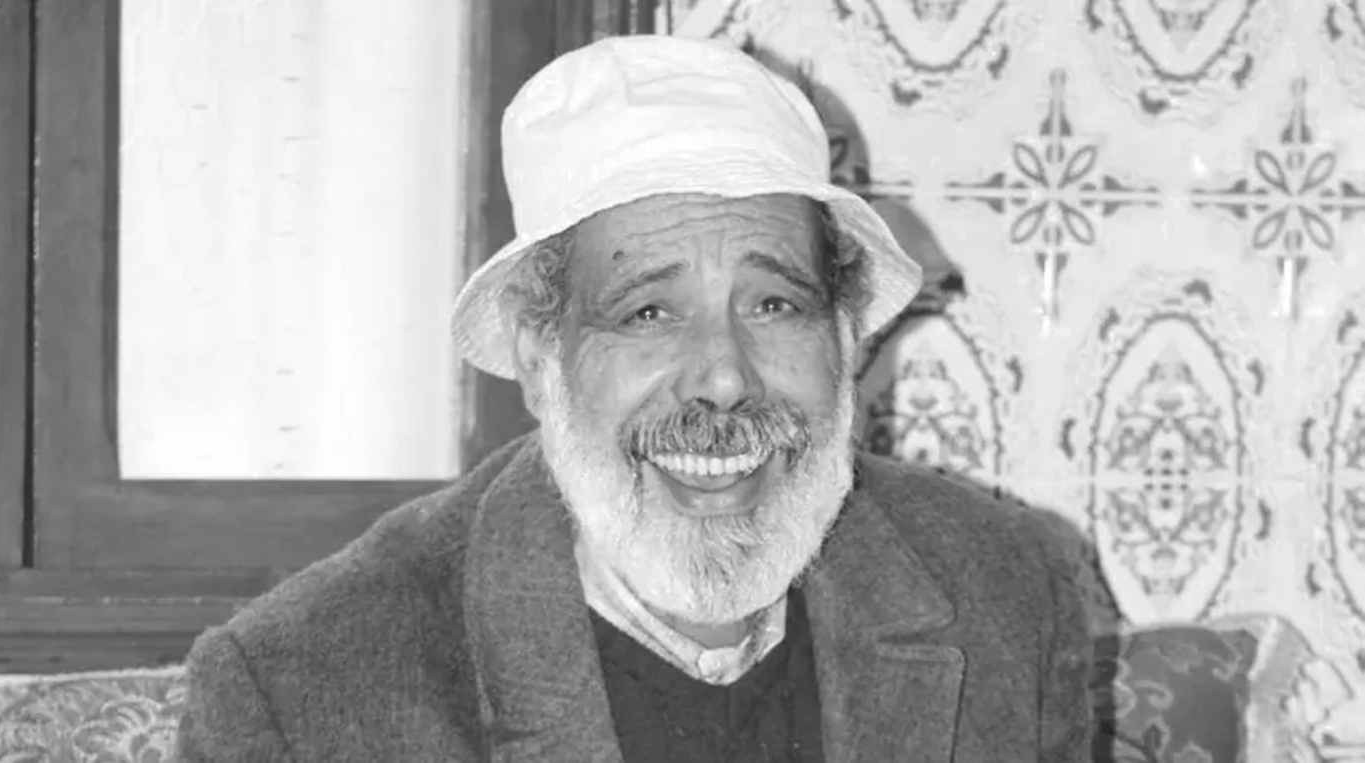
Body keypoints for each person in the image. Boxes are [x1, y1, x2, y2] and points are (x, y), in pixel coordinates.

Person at [177, 34, 1092, 762]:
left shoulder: (1006, 591)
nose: (723, 377)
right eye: (648, 312)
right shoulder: (302, 689)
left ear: (846, 335)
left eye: (774, 304)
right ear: (541, 355)